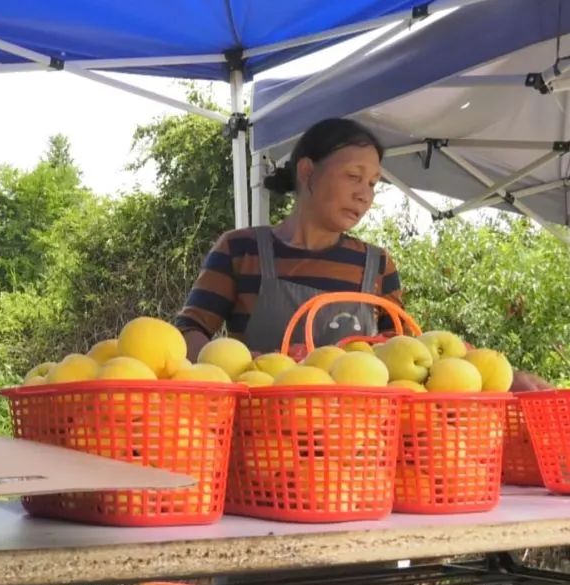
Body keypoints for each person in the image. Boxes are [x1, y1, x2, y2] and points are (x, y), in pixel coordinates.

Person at [175, 117, 550, 392]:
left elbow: (408, 357)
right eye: (353, 177)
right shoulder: (240, 249)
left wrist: (500, 377)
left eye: (372, 184)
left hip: (355, 445)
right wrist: (232, 367)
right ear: (307, 172)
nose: (364, 195)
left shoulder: (377, 265)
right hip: (266, 435)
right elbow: (188, 332)